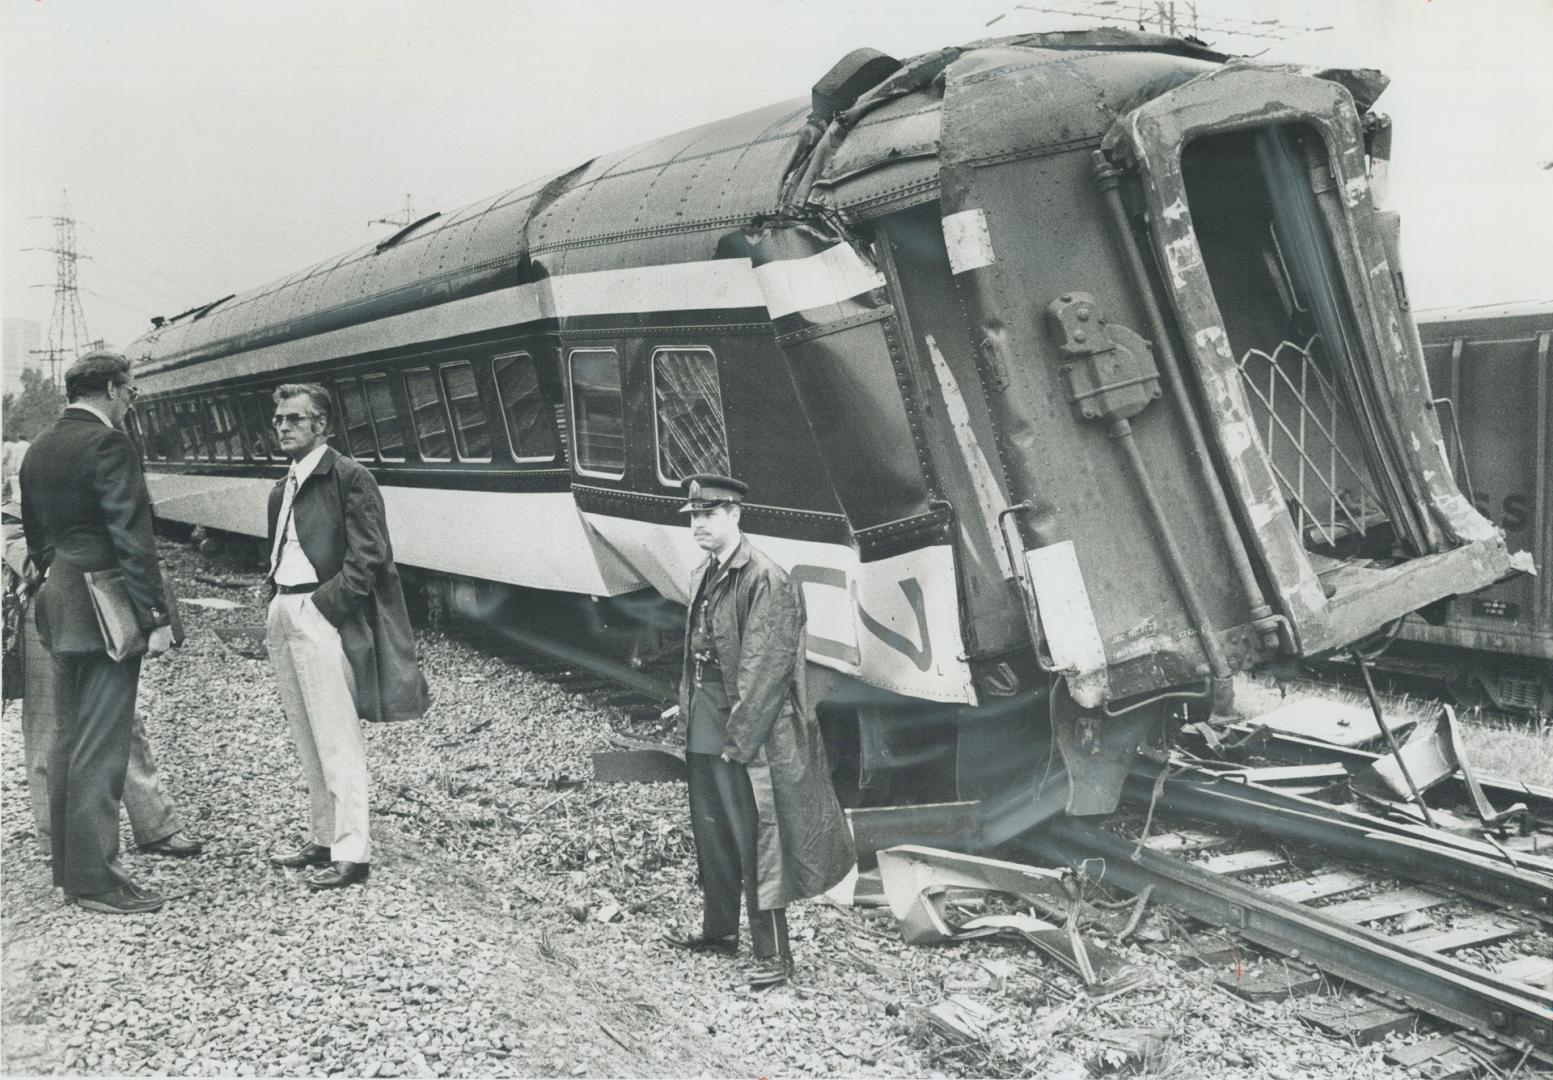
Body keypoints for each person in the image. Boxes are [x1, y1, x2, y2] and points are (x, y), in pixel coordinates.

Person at [663, 474, 854, 988]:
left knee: (757, 840)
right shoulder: (711, 570)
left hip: (748, 735)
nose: (698, 524)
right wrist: (687, 712)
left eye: (709, 514)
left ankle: (775, 955)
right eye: (694, 516)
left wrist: (738, 744)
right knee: (713, 832)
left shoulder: (764, 577)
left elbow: (764, 675)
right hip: (707, 724)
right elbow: (700, 652)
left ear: (735, 516)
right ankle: (719, 932)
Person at [18, 351, 177, 915]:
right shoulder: (110, 445)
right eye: (131, 391)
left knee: (68, 737)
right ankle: (98, 882)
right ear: (111, 389)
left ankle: (73, 870)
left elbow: (36, 535)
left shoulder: (38, 447)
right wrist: (155, 619)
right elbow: (132, 538)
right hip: (103, 607)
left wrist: (60, 578)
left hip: (57, 601)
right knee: (102, 744)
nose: (132, 401)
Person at [263, 383, 428, 890]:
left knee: (337, 739)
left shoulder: (350, 478)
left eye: (295, 419)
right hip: (284, 608)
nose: (283, 427)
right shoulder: (283, 485)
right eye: (279, 420)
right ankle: (323, 837)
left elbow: (368, 558)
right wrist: (276, 599)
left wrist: (322, 609)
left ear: (321, 426)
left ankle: (353, 854)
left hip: (318, 611)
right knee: (306, 735)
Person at [4, 505, 201, 858]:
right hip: (45, 615)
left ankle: (156, 826)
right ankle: (56, 837)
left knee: (123, 716)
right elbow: (33, 566)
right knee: (46, 726)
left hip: (98, 605)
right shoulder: (12, 510)